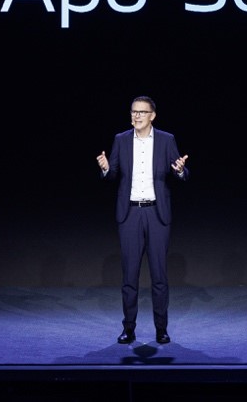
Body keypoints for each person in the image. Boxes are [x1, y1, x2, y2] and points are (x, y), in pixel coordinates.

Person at [96, 95, 189, 345]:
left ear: (152, 116)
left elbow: (181, 171)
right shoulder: (121, 139)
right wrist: (106, 168)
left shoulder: (167, 140)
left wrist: (180, 170)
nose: (136, 116)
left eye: (141, 112)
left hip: (157, 214)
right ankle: (129, 328)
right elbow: (113, 174)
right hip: (130, 214)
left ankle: (161, 329)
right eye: (133, 111)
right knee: (130, 276)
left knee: (159, 276)